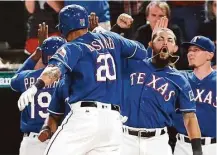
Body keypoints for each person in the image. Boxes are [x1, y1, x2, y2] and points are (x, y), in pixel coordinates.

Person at [17, 4, 148, 155]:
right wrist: (108, 33)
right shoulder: (111, 39)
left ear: (63, 28)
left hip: (85, 119)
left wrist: (36, 86)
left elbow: (54, 70)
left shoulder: (73, 46)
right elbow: (141, 51)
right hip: (113, 123)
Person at [121, 28, 203, 155]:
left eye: (170, 40)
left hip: (157, 142)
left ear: (175, 48)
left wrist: (197, 151)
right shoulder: (133, 64)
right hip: (126, 139)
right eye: (160, 39)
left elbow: (190, 117)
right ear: (151, 44)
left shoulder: (180, 80)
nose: (165, 43)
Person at [10, 32, 66, 155]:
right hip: (60, 139)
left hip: (32, 143)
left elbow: (14, 81)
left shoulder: (27, 77)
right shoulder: (68, 79)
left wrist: (35, 55)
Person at [172, 36, 216, 155]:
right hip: (183, 145)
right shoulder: (180, 78)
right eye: (189, 50)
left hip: (213, 147)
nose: (190, 53)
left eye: (196, 50)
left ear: (209, 55)